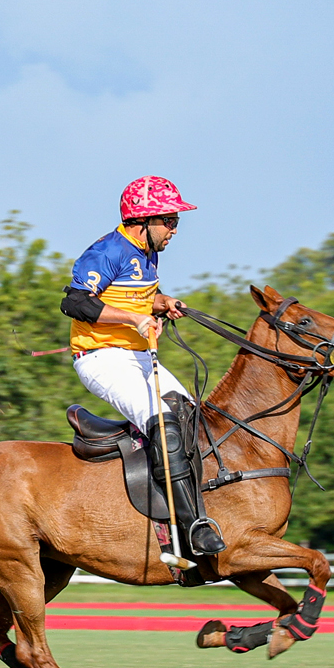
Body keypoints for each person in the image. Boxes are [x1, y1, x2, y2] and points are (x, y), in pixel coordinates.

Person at [58, 176, 223, 556]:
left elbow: (134, 298)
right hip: (101, 358)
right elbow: (75, 303)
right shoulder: (107, 250)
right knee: (163, 424)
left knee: (193, 418)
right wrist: (134, 320)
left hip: (136, 356)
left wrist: (161, 303)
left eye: (176, 221)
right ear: (143, 220)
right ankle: (189, 529)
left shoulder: (149, 252)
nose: (175, 229)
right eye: (170, 220)